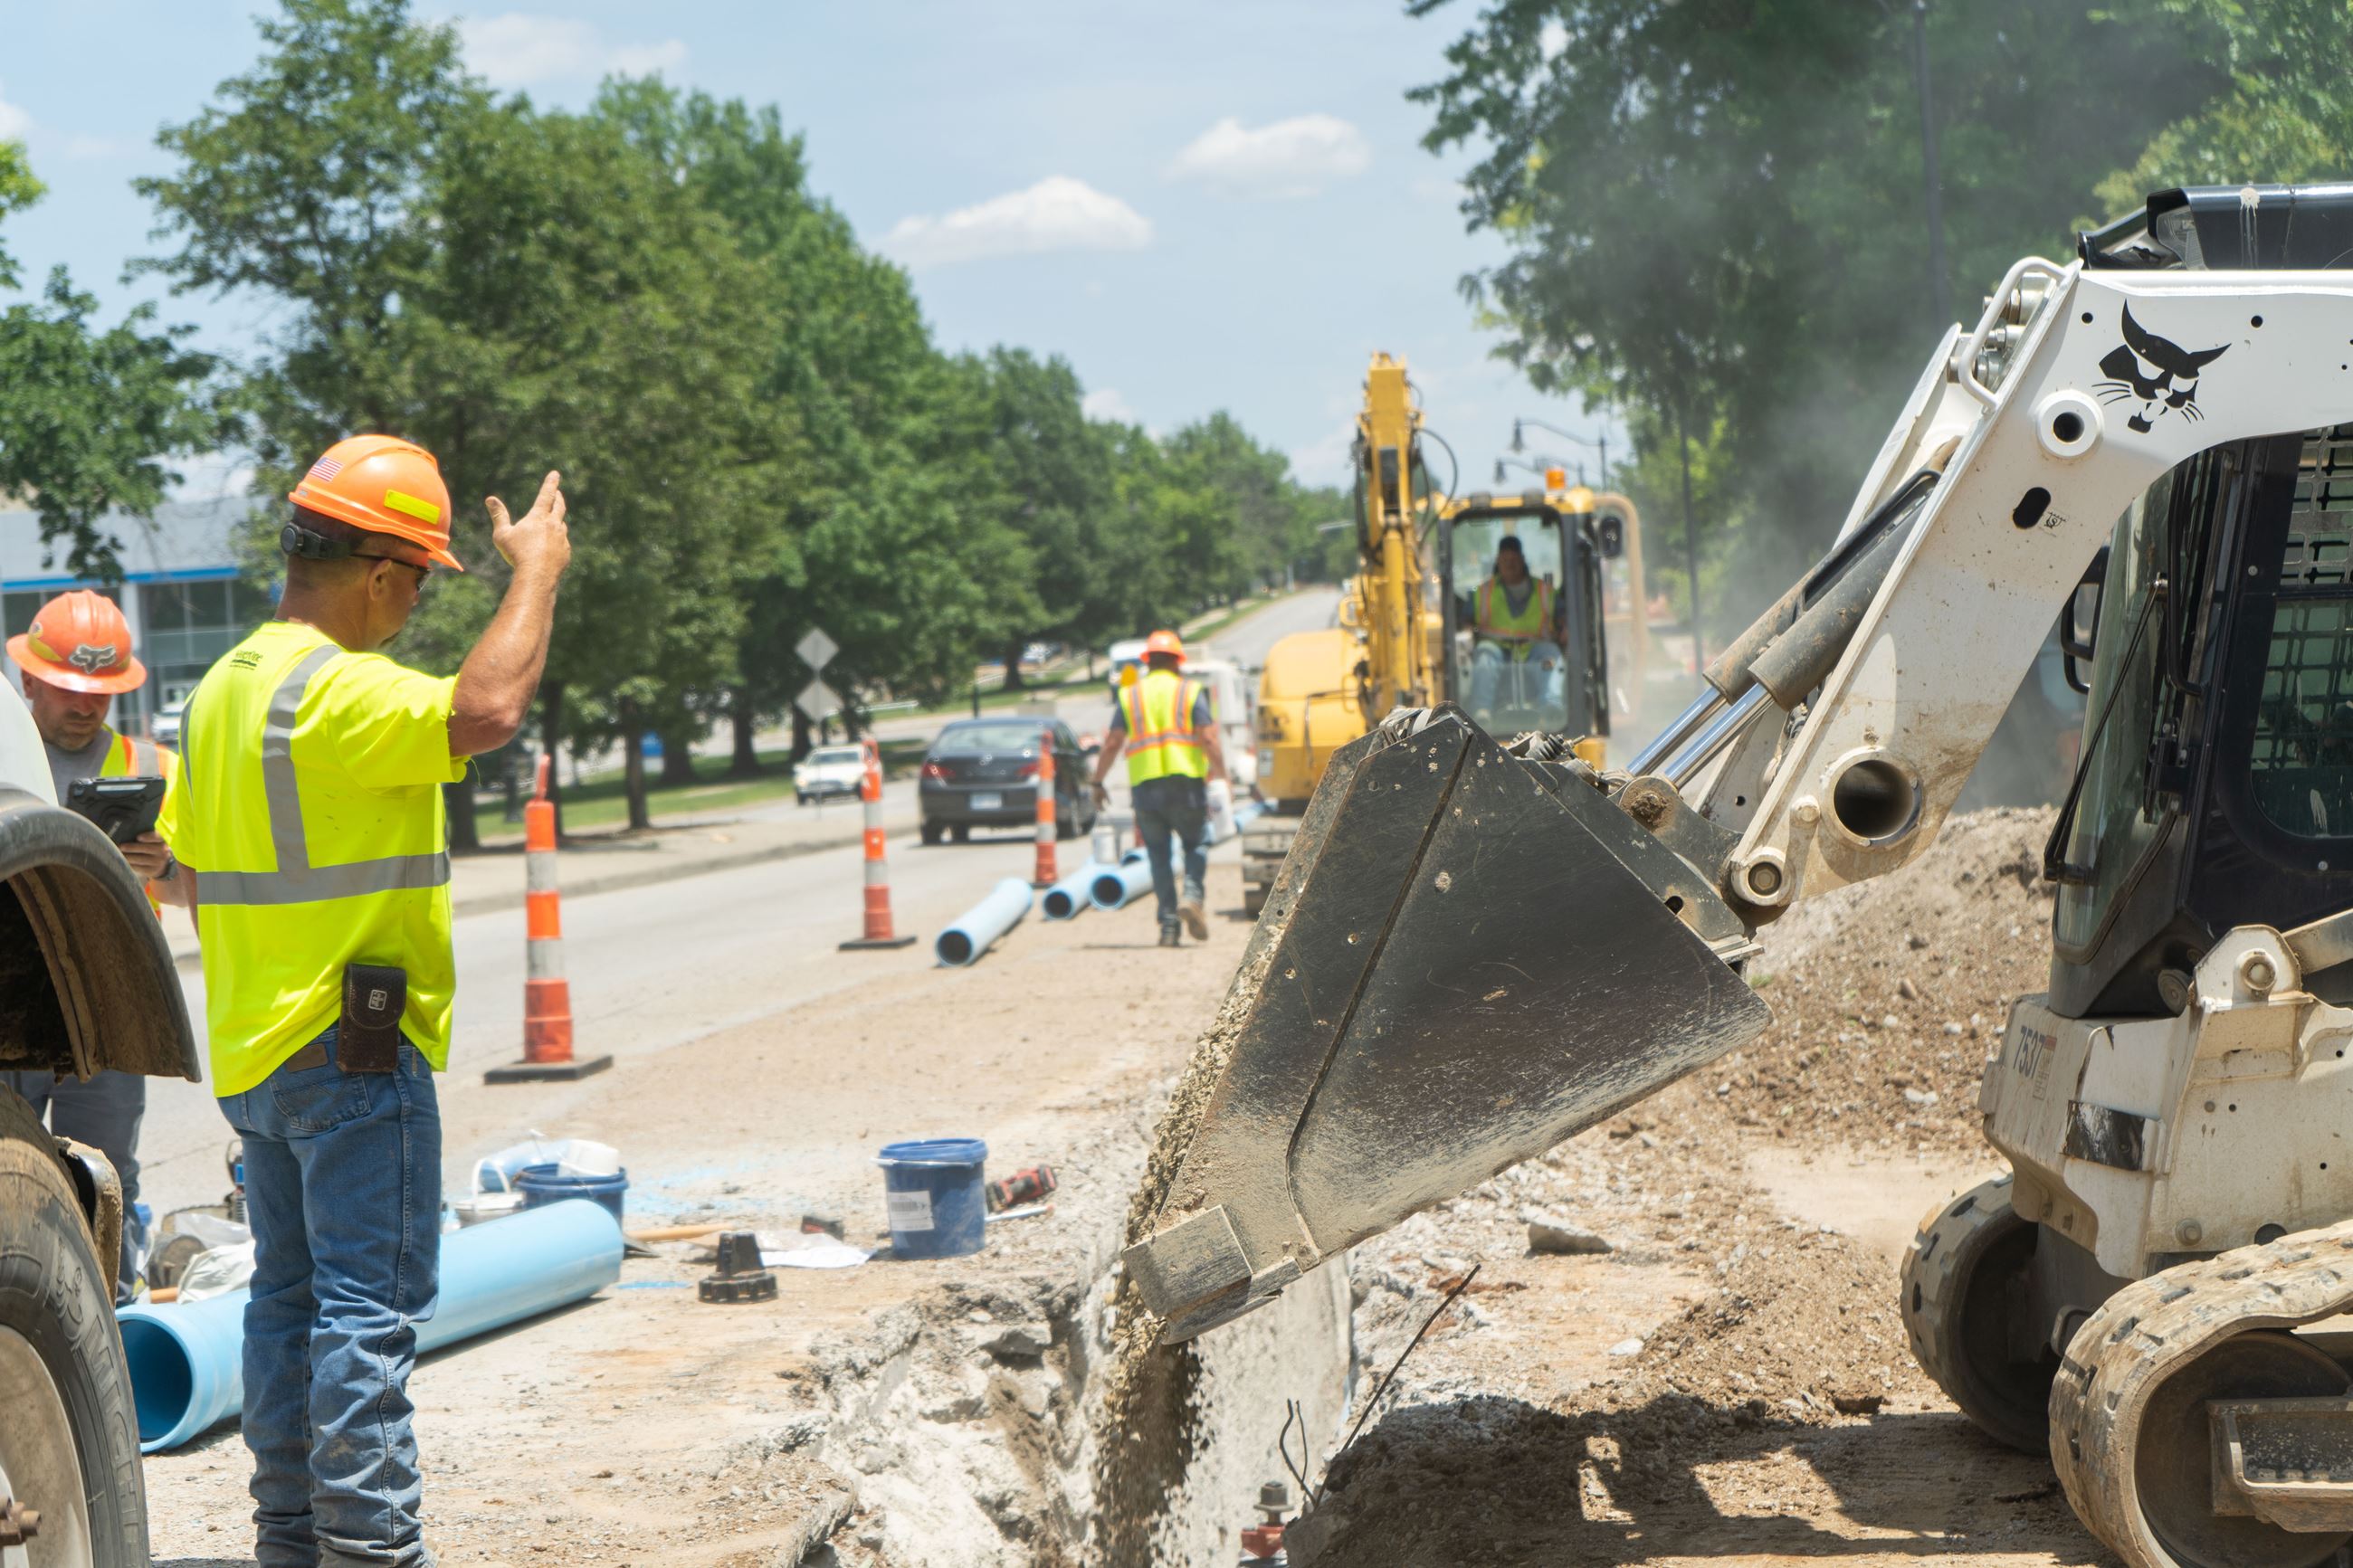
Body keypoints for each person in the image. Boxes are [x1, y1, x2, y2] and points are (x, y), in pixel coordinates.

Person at [157, 434, 570, 1568]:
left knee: (285, 1307)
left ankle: (292, 1543)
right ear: (383, 572)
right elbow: (486, 710)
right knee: (364, 1315)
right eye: (421, 580)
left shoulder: (222, 692)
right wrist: (535, 568)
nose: (415, 605)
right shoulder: (334, 689)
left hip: (256, 1055)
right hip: (351, 1055)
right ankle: (370, 1552)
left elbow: (188, 878)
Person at [4, 588, 190, 1300]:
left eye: (102, 693)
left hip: (106, 1002)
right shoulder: (6, 756)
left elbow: (189, 888)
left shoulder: (153, 763)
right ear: (28, 681)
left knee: (105, 1173)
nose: (87, 706)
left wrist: (164, 868)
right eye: (70, 690)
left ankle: (108, 1316)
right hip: (14, 996)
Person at [1089, 628, 1225, 946]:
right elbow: (1207, 737)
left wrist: (1097, 781)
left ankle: (1168, 928)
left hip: (1146, 789)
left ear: (1148, 662)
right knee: (1195, 845)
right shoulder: (1189, 692)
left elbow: (1111, 744)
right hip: (1186, 785)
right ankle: (1191, 897)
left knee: (1158, 856)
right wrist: (1221, 775)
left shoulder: (1131, 695)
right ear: (1178, 661)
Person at [1465, 534, 1566, 720]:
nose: (1510, 565)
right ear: (1498, 562)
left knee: (1551, 655)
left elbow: (1563, 615)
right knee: (1484, 656)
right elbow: (1464, 620)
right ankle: (1481, 712)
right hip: (1497, 651)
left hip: (1533, 652)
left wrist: (1565, 626)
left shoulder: (1544, 591)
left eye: (1514, 559)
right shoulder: (1483, 592)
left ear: (1523, 560)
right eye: (1505, 560)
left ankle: (1551, 706)